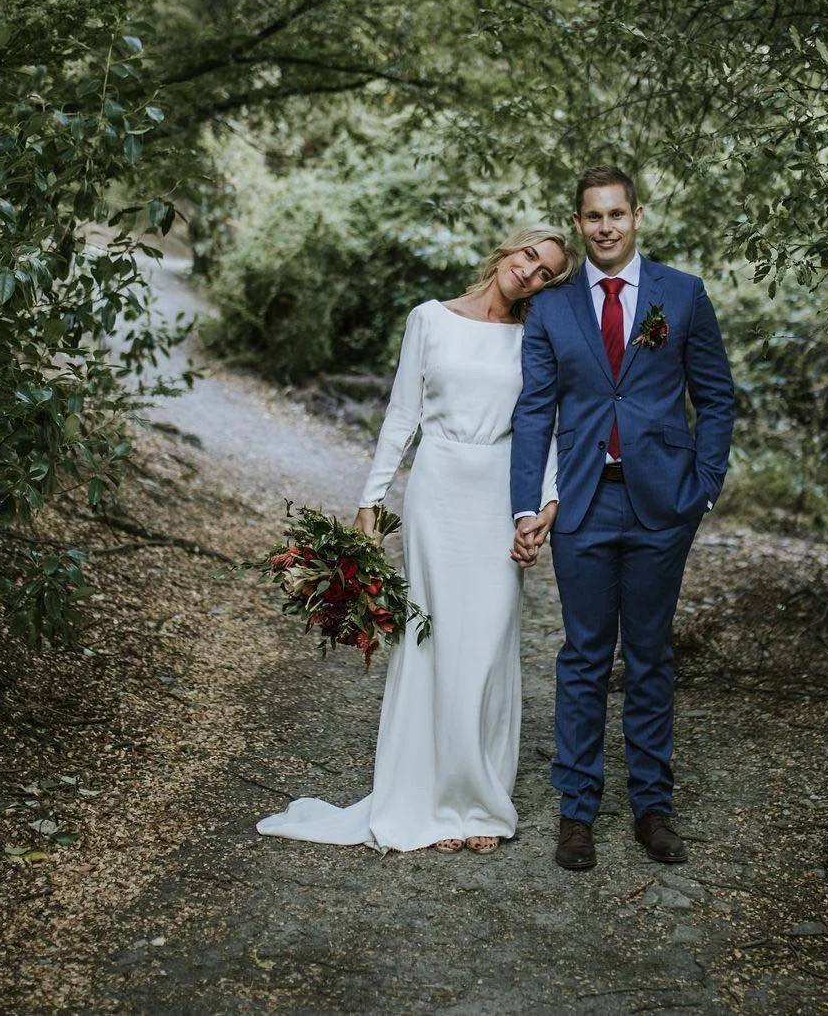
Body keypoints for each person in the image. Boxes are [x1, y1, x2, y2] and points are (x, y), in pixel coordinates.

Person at [257, 225, 574, 853]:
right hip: (437, 490)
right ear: (508, 248)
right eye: (529, 257)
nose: (530, 274)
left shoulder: (536, 337)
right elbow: (402, 414)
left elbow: (550, 429)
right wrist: (369, 500)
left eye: (546, 275)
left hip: (500, 492)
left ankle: (479, 802)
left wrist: (546, 508)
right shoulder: (430, 319)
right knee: (434, 642)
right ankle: (429, 800)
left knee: (487, 646)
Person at [510, 165, 736, 871]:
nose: (605, 225)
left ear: (637, 215)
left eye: (616, 213)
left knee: (648, 655)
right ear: (577, 223)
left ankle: (651, 807)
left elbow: (717, 397)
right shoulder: (551, 308)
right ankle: (577, 812)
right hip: (581, 500)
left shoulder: (683, 296)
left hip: (662, 503)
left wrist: (703, 486)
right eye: (592, 215)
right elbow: (534, 411)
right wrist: (527, 502)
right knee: (582, 654)